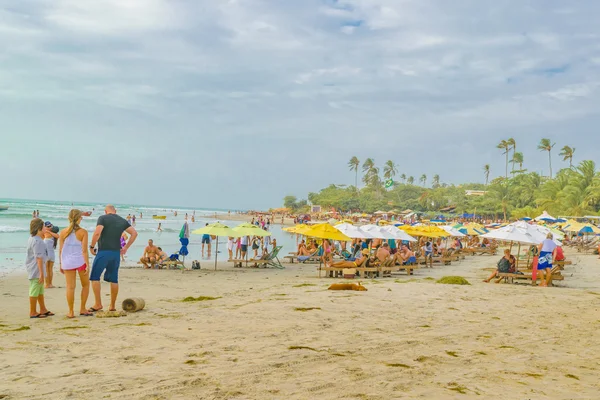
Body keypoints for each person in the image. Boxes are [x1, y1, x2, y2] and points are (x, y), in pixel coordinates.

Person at [88, 205, 138, 313]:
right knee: (114, 279)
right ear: (115, 211)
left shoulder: (103, 218)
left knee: (95, 277)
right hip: (115, 253)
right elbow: (134, 233)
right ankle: (112, 305)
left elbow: (97, 233)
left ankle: (98, 304)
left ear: (106, 211)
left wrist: (92, 246)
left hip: (104, 251)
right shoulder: (122, 220)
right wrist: (125, 247)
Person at [59, 209, 93, 318]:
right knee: (86, 285)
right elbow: (84, 250)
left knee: (70, 287)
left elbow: (60, 250)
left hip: (67, 262)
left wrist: (61, 263)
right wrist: (87, 264)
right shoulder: (83, 232)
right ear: (79, 218)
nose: (82, 218)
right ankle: (82, 308)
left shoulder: (63, 232)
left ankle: (71, 311)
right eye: (81, 217)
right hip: (80, 261)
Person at [26, 218, 54, 318]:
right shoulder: (38, 241)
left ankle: (43, 309)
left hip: (36, 267)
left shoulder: (33, 238)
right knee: (35, 288)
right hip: (36, 269)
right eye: (43, 227)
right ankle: (33, 311)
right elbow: (39, 258)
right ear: (39, 228)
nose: (45, 229)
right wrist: (42, 274)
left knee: (40, 290)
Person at [43, 221, 60, 288]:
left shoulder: (46, 233)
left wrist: (47, 231)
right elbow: (58, 236)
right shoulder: (54, 235)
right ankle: (50, 284)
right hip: (52, 254)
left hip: (47, 254)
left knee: (47, 269)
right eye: (48, 226)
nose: (48, 227)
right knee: (50, 269)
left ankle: (47, 284)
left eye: (49, 226)